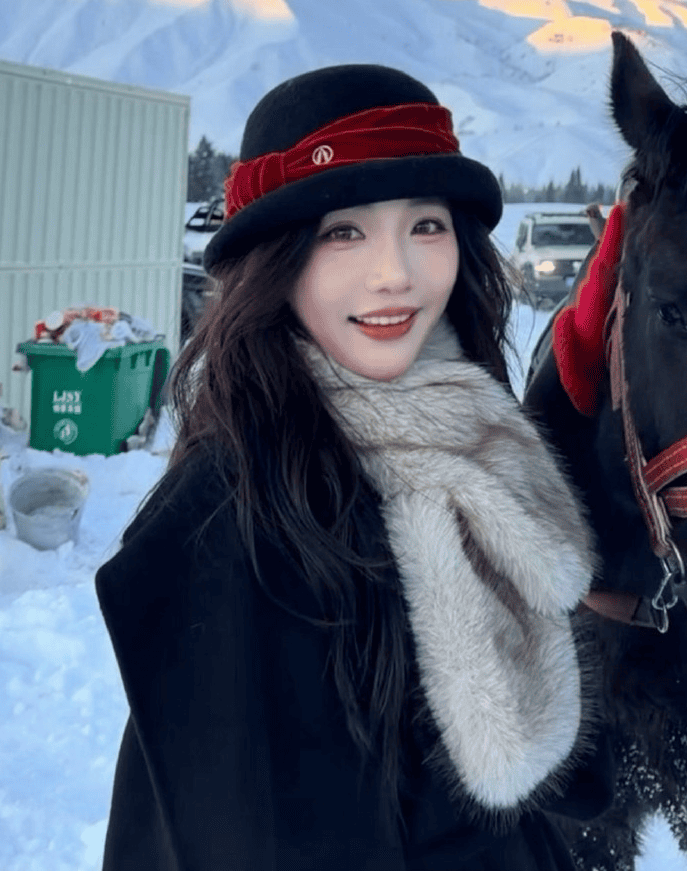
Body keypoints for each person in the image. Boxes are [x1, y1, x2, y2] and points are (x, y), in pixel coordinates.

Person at [96, 65, 600, 870]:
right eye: (344, 233)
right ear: (276, 262)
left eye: (425, 225)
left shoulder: (466, 435)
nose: (395, 273)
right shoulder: (235, 516)